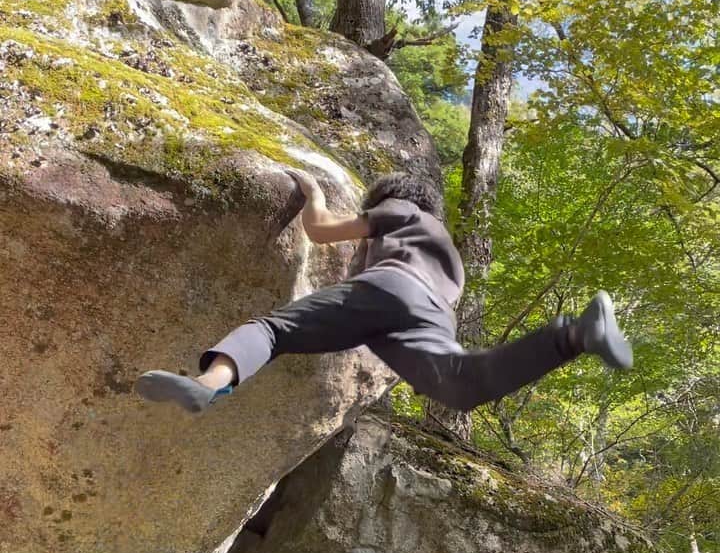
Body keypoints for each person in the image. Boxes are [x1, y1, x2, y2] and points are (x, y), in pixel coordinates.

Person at [135, 168, 632, 415]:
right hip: (434, 316)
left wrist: (315, 194)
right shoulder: (450, 254)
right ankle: (572, 337)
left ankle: (208, 385)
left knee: (271, 329)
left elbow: (322, 230)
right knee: (460, 386)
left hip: (385, 291)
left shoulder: (405, 210)